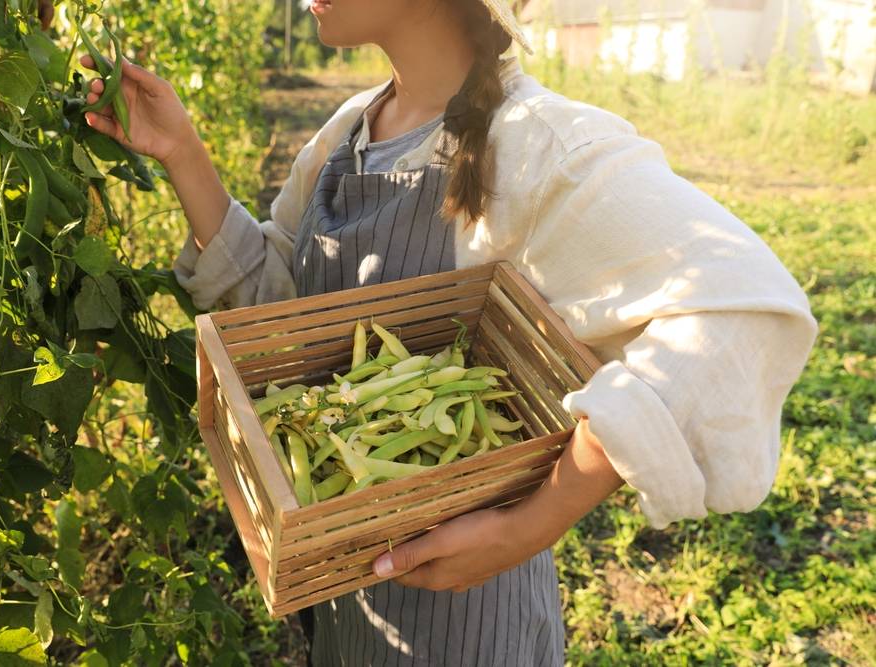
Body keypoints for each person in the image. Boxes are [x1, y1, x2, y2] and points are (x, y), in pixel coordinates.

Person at [78, 0, 817, 663]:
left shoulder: (537, 145)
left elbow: (740, 303)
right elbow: (284, 313)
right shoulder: (348, 132)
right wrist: (183, 153)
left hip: (468, 617)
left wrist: (533, 521)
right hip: (346, 593)